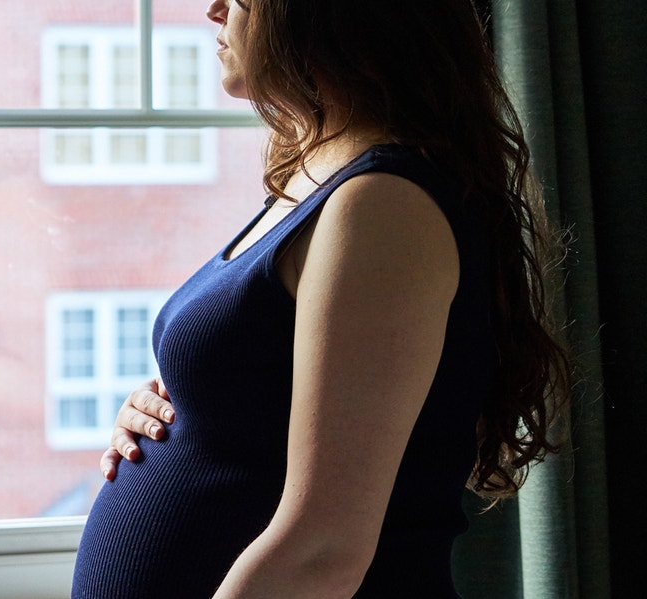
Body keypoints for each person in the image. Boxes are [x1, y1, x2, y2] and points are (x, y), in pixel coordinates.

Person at [70, 0, 572, 597]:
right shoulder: (319, 171)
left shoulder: (384, 206)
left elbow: (323, 550)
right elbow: (261, 412)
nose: (213, 9)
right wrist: (177, 420)